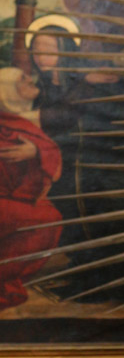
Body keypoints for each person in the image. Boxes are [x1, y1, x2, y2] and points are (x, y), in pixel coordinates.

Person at [0, 66, 62, 310]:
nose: (31, 79)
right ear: (8, 92)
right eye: (23, 80)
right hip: (7, 198)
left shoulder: (21, 120)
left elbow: (47, 154)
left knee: (47, 217)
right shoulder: (7, 123)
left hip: (15, 198)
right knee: (46, 219)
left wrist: (36, 152)